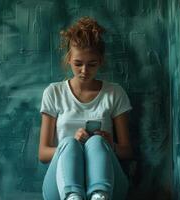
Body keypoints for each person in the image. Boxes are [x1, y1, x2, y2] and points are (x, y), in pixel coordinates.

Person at [39, 16, 133, 200]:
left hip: (111, 185)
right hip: (58, 188)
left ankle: (99, 195)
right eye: (78, 64)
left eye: (92, 64)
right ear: (68, 59)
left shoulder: (114, 93)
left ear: (101, 62)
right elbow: (43, 153)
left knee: (96, 142)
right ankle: (73, 195)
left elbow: (128, 151)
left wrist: (109, 145)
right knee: (69, 143)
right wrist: (71, 146)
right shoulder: (54, 92)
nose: (84, 71)